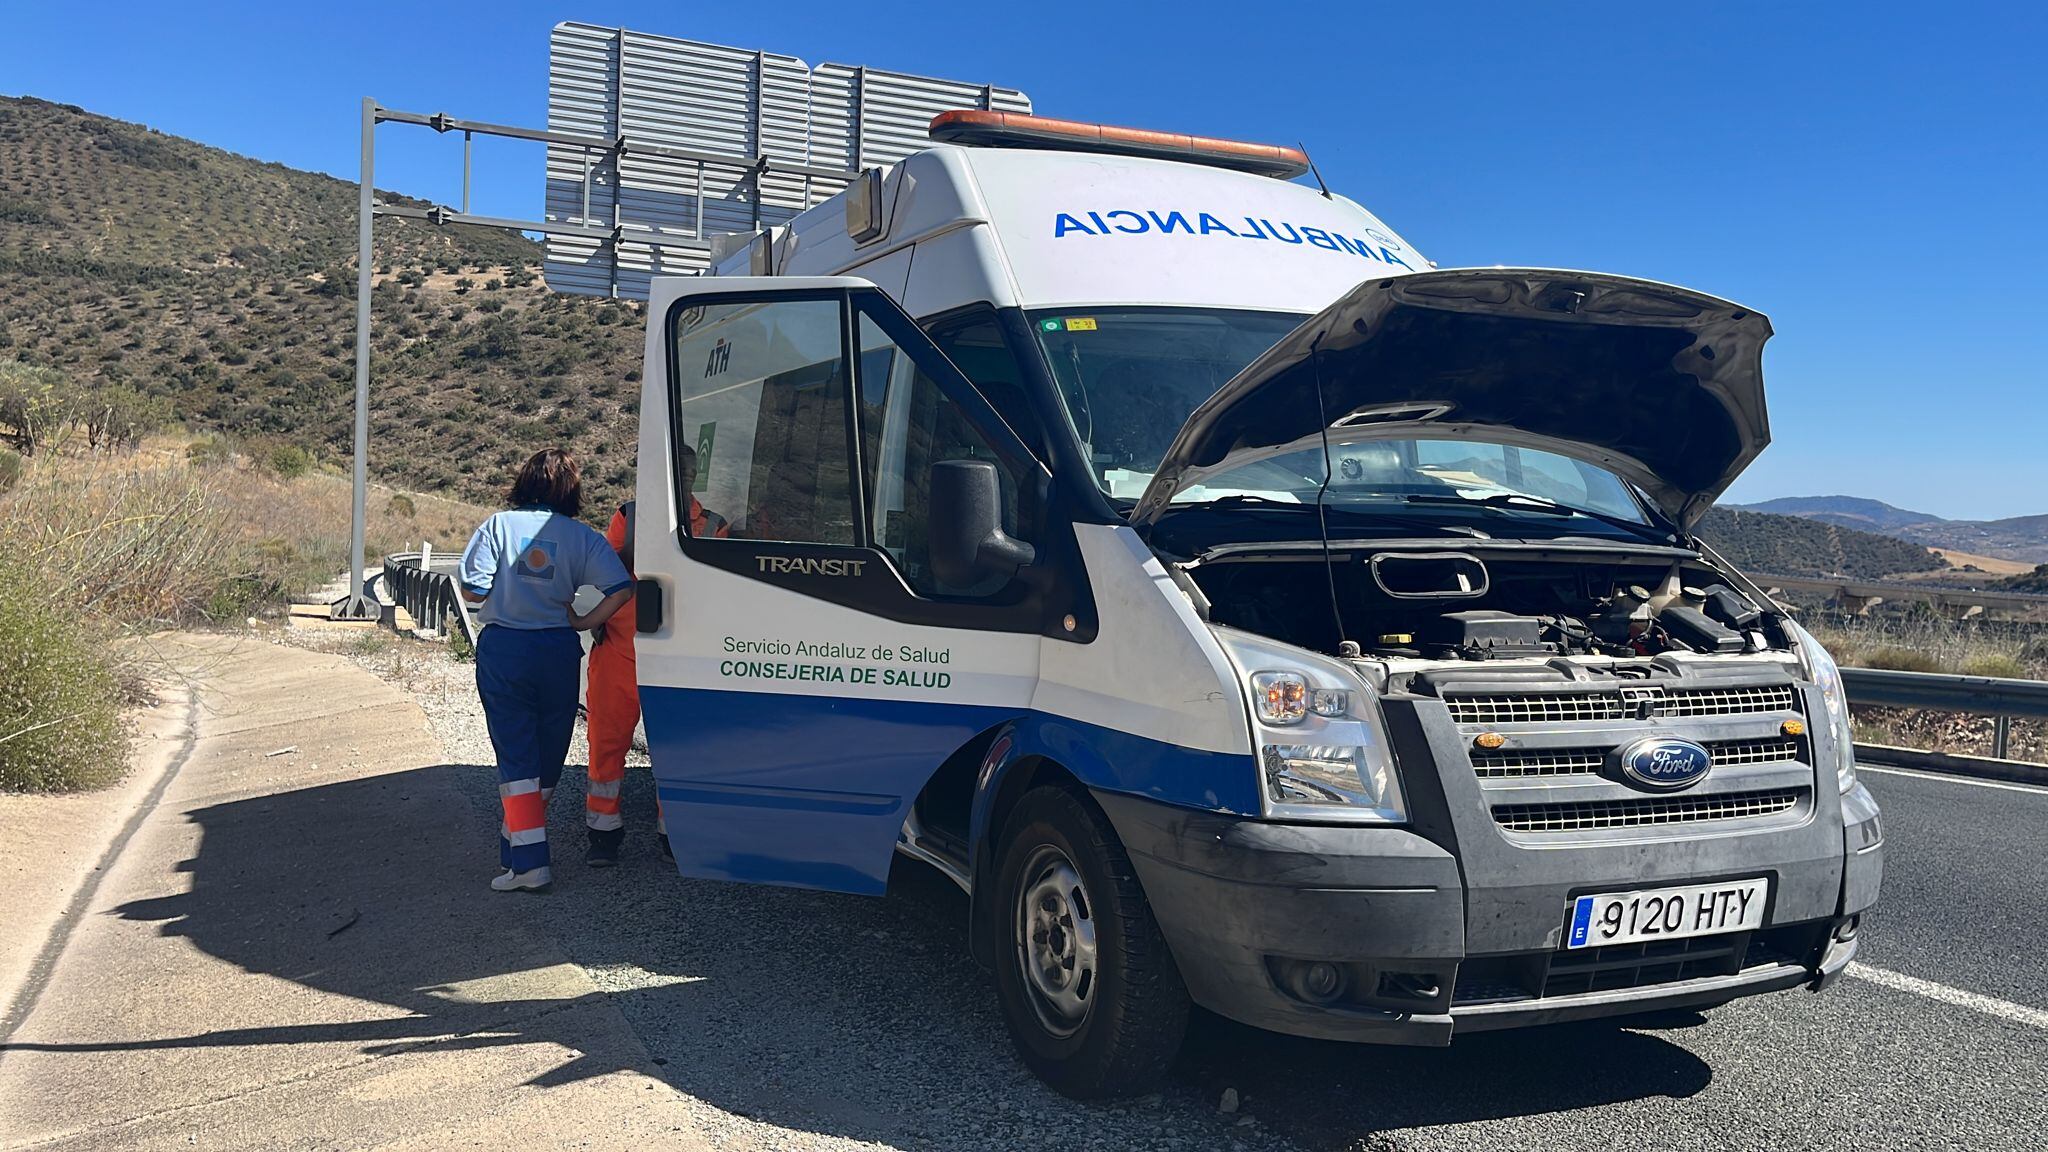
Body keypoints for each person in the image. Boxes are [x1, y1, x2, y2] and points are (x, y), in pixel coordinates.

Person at [459, 448, 633, 893]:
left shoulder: (498, 526)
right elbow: (620, 587)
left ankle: (531, 863)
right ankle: (515, 846)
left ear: (524, 482)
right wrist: (583, 621)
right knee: (550, 753)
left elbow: (473, 590)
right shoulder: (584, 537)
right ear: (571, 491)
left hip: (507, 649)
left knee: (517, 754)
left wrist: (512, 592)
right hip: (558, 650)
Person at [584, 445, 725, 866]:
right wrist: (645, 534)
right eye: (670, 470)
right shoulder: (627, 516)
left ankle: (672, 835)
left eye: (686, 470)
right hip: (621, 650)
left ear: (695, 474)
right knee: (606, 743)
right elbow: (605, 571)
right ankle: (602, 834)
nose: (680, 477)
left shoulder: (714, 525)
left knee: (676, 746)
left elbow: (717, 591)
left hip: (684, 654)